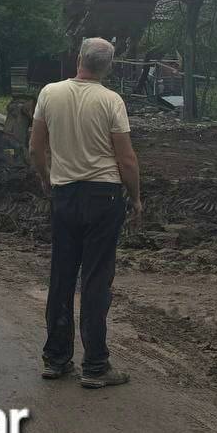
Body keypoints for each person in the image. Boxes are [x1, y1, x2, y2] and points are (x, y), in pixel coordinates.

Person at [29, 37, 142, 389]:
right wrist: (136, 198)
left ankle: (55, 359)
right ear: (108, 67)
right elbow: (126, 158)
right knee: (95, 280)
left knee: (61, 277)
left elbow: (35, 147)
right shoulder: (111, 100)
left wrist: (46, 179)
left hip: (65, 195)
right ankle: (95, 365)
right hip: (104, 197)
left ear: (78, 58)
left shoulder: (49, 93)